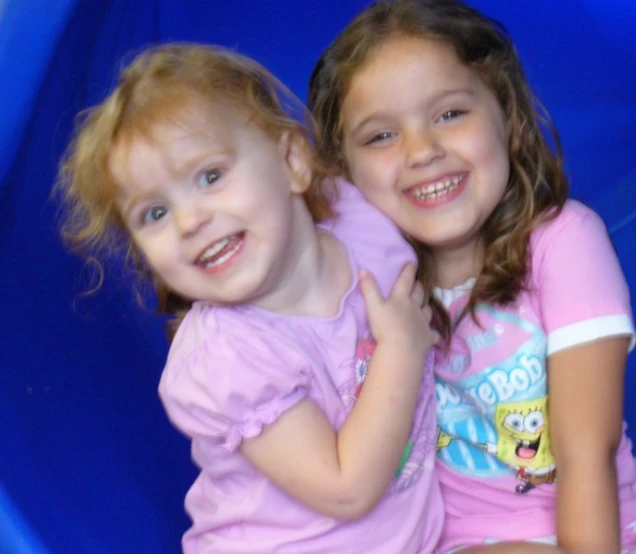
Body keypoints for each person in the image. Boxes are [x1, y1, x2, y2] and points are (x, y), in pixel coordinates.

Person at [308, 1, 636, 553]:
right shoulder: (367, 288)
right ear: (342, 174)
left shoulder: (561, 243)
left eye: (449, 114)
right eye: (380, 137)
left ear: (508, 119)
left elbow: (588, 448)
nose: (422, 152)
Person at [55, 43, 444, 553]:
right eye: (154, 214)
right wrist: (402, 349)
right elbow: (346, 489)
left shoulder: (358, 220)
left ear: (291, 161)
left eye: (210, 176)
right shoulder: (225, 358)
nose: (190, 221)